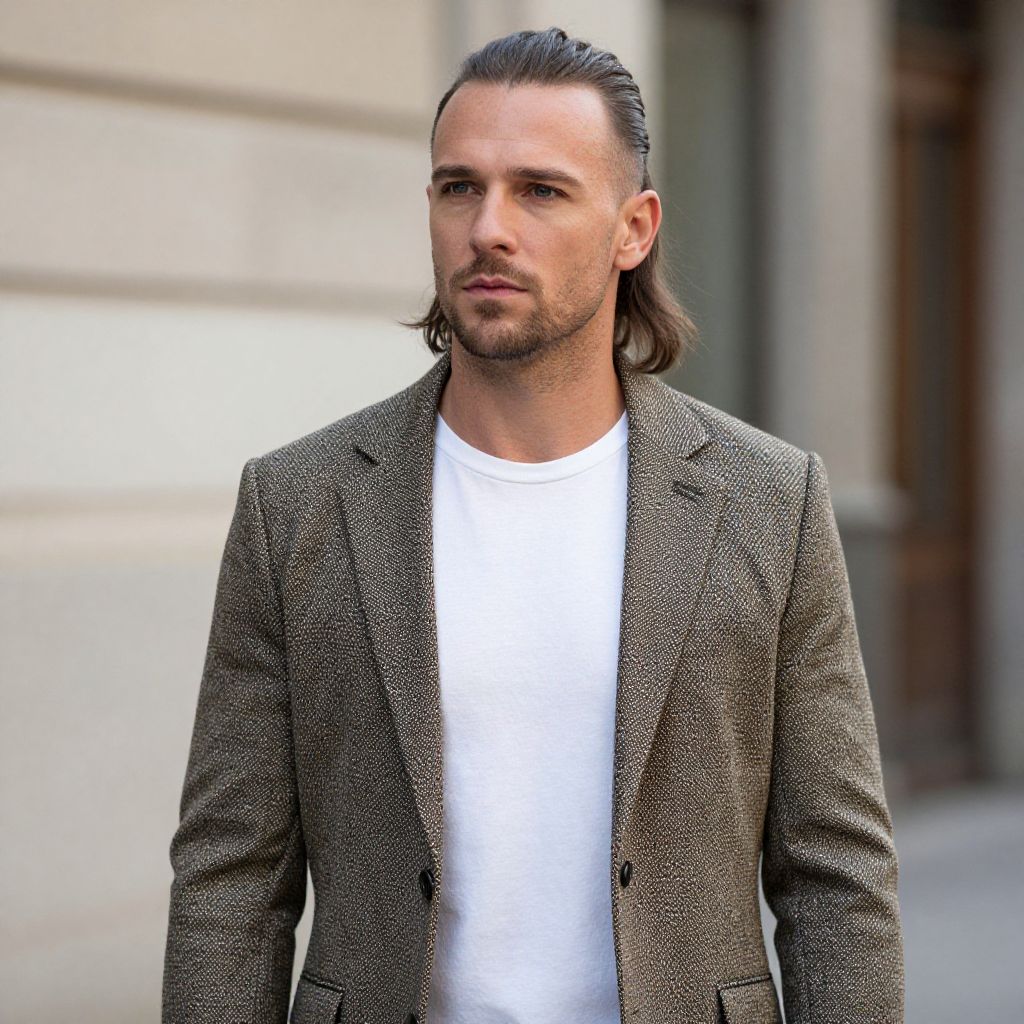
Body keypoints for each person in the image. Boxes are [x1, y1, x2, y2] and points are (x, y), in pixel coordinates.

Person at [162, 26, 904, 1024]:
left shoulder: (769, 503)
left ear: (632, 227)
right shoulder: (296, 505)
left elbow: (837, 882)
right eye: (458, 187)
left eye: (540, 191)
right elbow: (230, 879)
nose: (487, 230)